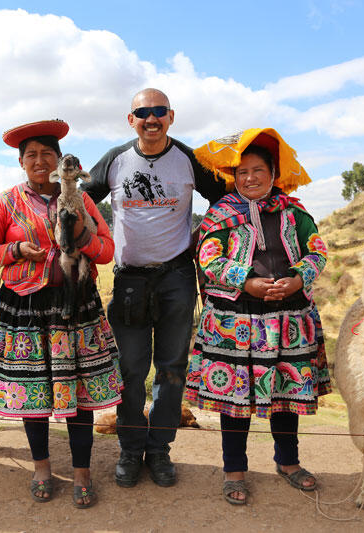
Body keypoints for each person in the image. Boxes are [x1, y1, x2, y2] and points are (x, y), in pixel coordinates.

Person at [82, 88, 229, 488]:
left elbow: (226, 199)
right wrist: (93, 240)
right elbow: (80, 201)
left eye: (158, 111)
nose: (151, 118)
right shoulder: (115, 160)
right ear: (131, 120)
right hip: (129, 280)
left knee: (171, 370)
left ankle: (160, 451)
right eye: (142, 112)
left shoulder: (188, 159)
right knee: (129, 371)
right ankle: (130, 452)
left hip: (177, 279)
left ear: (171, 116)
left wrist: (205, 236)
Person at [0, 119, 121, 508]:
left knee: (81, 394)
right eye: (32, 156)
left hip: (73, 307)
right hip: (24, 309)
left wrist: (82, 238)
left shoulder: (82, 199)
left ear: (59, 162)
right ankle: (41, 467)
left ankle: (82, 472)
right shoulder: (5, 203)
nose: (40, 161)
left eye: (47, 155)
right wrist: (16, 251)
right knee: (32, 393)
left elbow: (106, 250)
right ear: (22, 163)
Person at [185, 128, 331, 504]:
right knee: (236, 401)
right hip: (235, 321)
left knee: (286, 394)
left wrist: (297, 279)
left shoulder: (296, 213)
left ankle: (289, 463)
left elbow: (317, 253)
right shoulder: (220, 215)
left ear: (273, 173)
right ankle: (234, 470)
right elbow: (208, 257)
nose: (249, 178)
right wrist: (247, 282)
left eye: (257, 170)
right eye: (242, 172)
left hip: (288, 319)